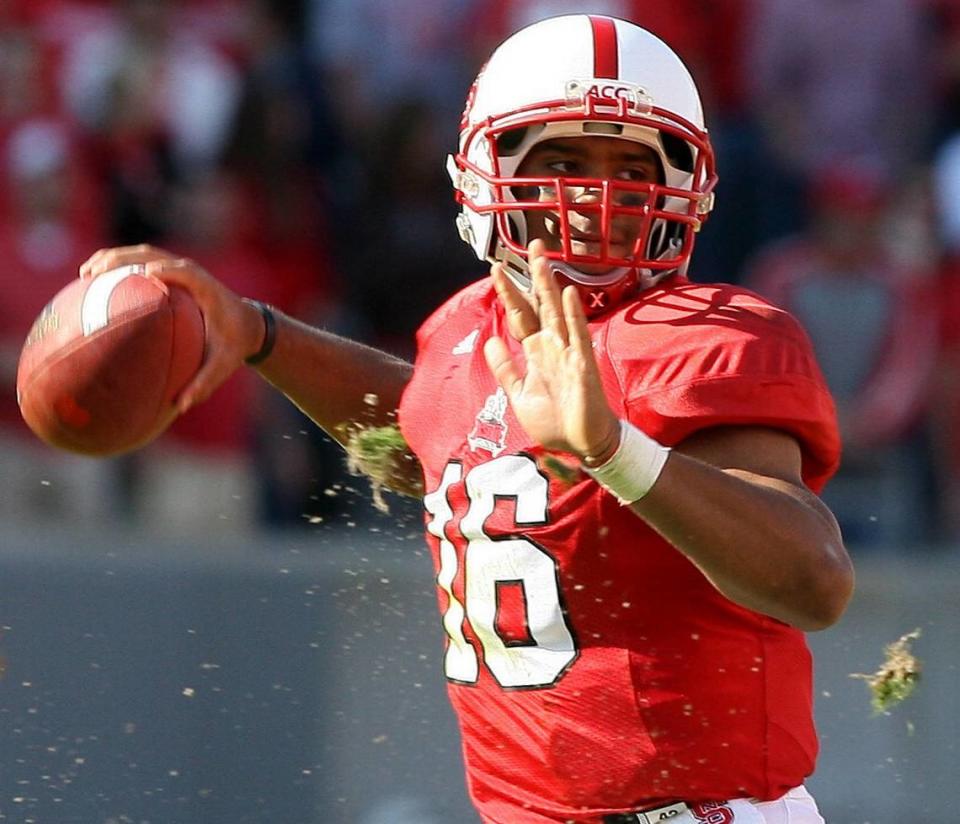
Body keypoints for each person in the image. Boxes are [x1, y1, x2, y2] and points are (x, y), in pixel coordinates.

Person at [78, 15, 854, 824]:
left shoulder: (709, 335)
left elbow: (814, 581)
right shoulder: (463, 330)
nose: (595, 194)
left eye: (632, 163)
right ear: (485, 172)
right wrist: (259, 334)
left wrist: (612, 451)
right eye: (561, 158)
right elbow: (427, 422)